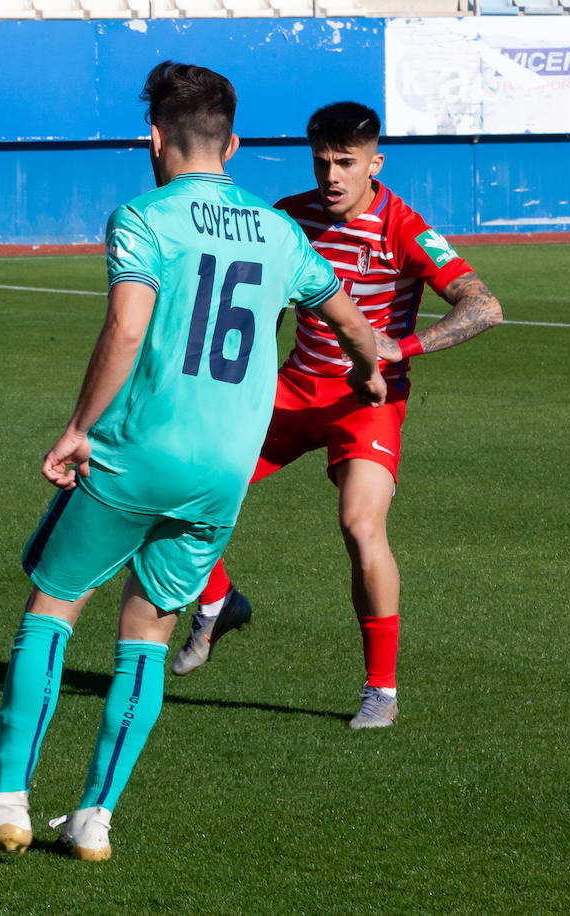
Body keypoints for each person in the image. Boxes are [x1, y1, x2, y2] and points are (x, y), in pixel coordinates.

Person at [0, 64, 385, 862]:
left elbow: (128, 328)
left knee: (53, 609)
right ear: (235, 144)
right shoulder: (281, 232)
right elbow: (348, 318)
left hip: (136, 455)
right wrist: (370, 369)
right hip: (221, 472)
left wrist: (78, 427)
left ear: (154, 139)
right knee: (147, 633)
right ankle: (94, 819)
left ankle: (7, 801)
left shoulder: (143, 217)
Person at [170, 102, 504, 730]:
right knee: (184, 486)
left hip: (367, 402)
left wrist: (400, 347)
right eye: (322, 161)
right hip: (290, 392)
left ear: (374, 163)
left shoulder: (404, 226)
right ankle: (218, 602)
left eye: (346, 163)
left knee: (360, 527)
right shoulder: (286, 217)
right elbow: (260, 307)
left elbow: (484, 306)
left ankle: (381, 689)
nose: (332, 175)